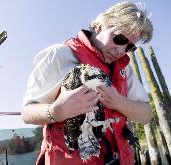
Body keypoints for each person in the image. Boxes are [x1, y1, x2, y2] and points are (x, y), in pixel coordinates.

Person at [21, 1, 153, 165]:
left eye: (129, 47)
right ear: (101, 25)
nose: (121, 51)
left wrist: (119, 102)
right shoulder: (59, 54)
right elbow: (26, 112)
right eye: (119, 38)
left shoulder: (125, 70)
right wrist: (56, 111)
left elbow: (146, 114)